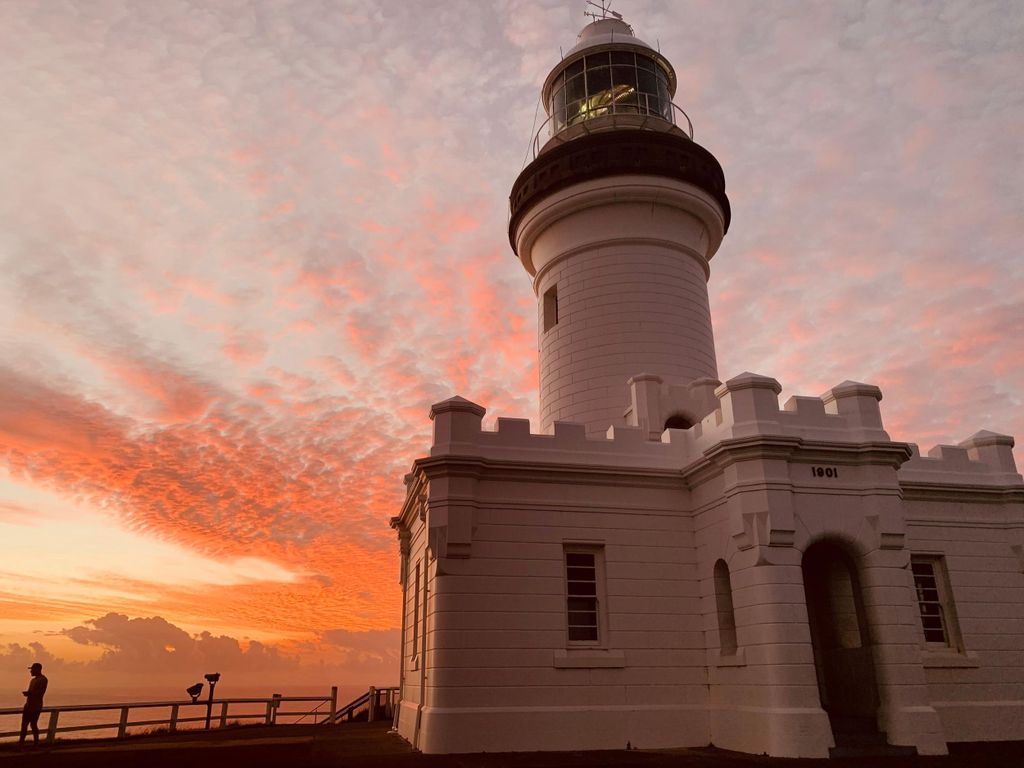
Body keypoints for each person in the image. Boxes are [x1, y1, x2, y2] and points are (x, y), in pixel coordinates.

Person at [20, 662, 48, 747]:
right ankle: (21, 744)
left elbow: (40, 692)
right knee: (24, 725)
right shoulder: (33, 680)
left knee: (33, 725)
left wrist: (29, 694)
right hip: (28, 706)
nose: (31, 671)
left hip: (36, 706)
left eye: (32, 669)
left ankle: (36, 744)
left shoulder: (43, 680)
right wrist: (29, 694)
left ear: (37, 670)